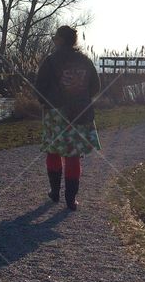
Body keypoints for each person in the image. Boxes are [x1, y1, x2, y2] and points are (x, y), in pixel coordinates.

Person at [34, 25, 101, 210]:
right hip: (80, 113)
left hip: (55, 112)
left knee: (53, 151)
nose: (54, 40)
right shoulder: (85, 61)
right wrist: (83, 98)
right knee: (73, 155)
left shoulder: (50, 61)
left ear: (61, 40)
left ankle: (54, 192)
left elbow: (39, 87)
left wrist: (46, 102)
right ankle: (71, 200)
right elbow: (96, 86)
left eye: (56, 37)